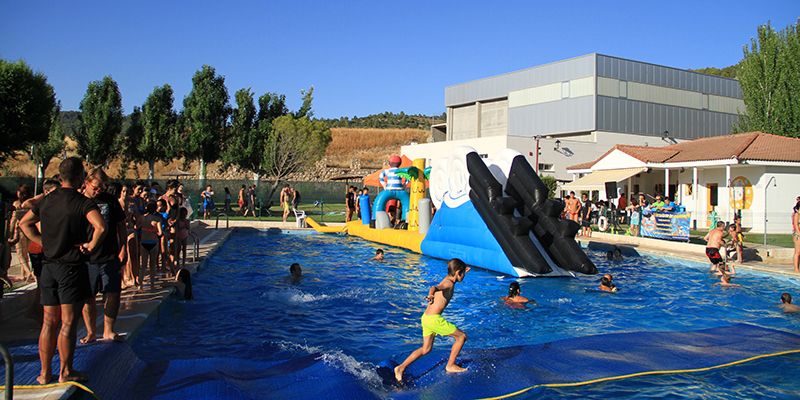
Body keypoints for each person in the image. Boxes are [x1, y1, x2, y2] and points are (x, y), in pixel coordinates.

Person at [19, 157, 107, 384]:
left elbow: (24, 223)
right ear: (79, 177)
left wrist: (44, 242)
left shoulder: (47, 200)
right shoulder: (82, 202)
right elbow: (100, 226)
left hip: (49, 266)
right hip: (71, 266)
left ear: (60, 176)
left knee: (49, 321)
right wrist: (91, 245)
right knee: (68, 322)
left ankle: (44, 373)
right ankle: (65, 371)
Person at [394, 258, 470, 382]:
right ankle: (450, 365)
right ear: (457, 272)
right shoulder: (448, 283)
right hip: (434, 319)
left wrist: (463, 269)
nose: (464, 276)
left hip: (426, 318)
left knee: (426, 349)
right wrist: (431, 294)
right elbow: (435, 287)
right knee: (461, 337)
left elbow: (447, 280)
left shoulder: (450, 278)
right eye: (463, 274)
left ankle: (400, 368)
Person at [80, 168, 127, 344]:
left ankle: (108, 330)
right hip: (87, 257)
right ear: (86, 183)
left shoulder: (110, 200)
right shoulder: (79, 200)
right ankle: (91, 332)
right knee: (88, 296)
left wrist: (123, 248)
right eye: (96, 187)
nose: (99, 190)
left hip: (109, 254)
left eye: (102, 187)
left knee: (113, 293)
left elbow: (121, 225)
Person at [8, 184, 34, 282]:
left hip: (19, 231)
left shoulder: (17, 204)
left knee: (20, 254)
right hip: (30, 230)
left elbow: (13, 219)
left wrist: (10, 233)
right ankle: (24, 275)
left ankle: (29, 273)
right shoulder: (31, 204)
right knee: (25, 252)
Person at [139, 202, 163, 288]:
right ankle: (152, 284)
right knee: (152, 265)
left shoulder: (142, 218)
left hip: (143, 242)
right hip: (153, 242)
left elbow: (137, 227)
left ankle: (140, 284)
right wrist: (153, 230)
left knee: (143, 265)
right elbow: (160, 233)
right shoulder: (157, 219)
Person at [792, 201, 799, 273]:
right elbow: (796, 225)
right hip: (797, 235)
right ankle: (796, 269)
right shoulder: (797, 214)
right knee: (797, 252)